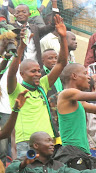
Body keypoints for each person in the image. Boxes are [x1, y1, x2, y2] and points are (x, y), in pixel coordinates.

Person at [7, 15, 68, 158]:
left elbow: (61, 63)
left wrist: (63, 38)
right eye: (32, 71)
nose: (38, 74)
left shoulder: (42, 85)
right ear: (22, 74)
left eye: (38, 71)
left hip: (48, 141)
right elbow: (11, 74)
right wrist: (21, 47)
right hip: (27, 142)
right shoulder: (16, 90)